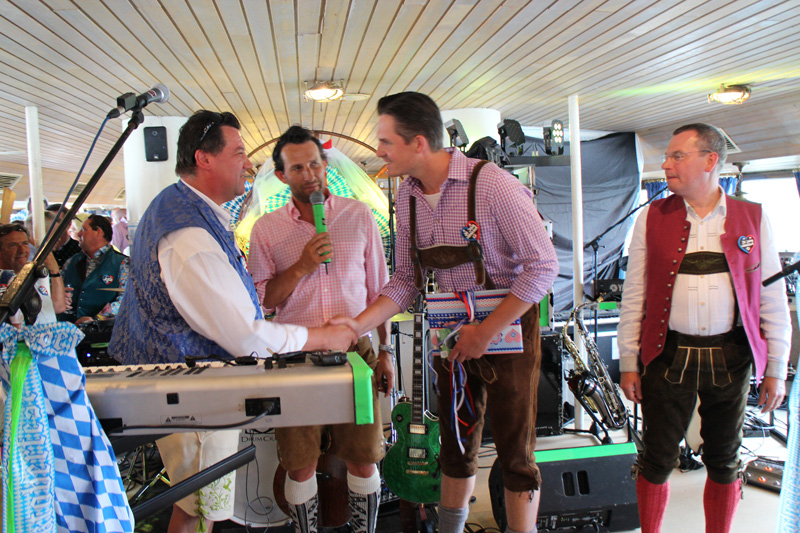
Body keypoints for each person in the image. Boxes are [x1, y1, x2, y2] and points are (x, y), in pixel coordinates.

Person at [108, 110, 357, 533]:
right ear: (204, 158)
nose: (248, 163)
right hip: (190, 394)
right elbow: (246, 336)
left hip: (185, 388)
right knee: (200, 510)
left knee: (195, 507)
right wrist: (322, 337)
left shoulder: (183, 208)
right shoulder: (189, 235)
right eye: (239, 152)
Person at [332, 92, 559, 533]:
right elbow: (406, 280)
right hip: (450, 329)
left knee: (515, 452)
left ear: (418, 143)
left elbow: (543, 266)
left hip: (508, 327)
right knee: (453, 446)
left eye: (386, 141)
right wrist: (357, 325)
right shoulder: (408, 197)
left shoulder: (491, 185)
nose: (378, 150)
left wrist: (486, 331)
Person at [617, 123, 791, 533]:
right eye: (667, 156)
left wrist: (776, 368)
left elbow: (771, 297)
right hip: (666, 355)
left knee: (725, 459)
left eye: (677, 156)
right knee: (656, 458)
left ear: (711, 160)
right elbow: (634, 295)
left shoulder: (753, 217)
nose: (666, 164)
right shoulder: (650, 217)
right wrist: (628, 361)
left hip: (732, 355)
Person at [248, 125, 392, 533]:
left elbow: (380, 291)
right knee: (299, 463)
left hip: (356, 355)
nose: (309, 174)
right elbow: (263, 302)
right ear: (281, 176)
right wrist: (302, 266)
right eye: (297, 168)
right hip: (296, 358)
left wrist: (385, 351)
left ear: (325, 164)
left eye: (314, 164)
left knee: (364, 457)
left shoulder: (359, 215)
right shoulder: (266, 229)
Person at [58, 214, 128, 324]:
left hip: (103, 331)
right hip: (68, 328)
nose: (79, 234)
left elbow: (126, 299)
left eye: (83, 229)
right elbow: (57, 290)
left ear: (98, 232)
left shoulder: (122, 263)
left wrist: (97, 319)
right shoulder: (71, 262)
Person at [0, 222, 66, 324]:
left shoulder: (33, 274)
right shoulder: (3, 280)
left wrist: (54, 271)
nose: (22, 250)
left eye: (25, 243)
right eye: (13, 245)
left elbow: (58, 307)